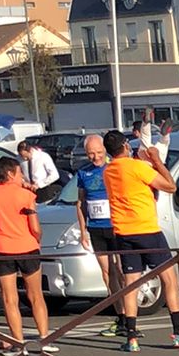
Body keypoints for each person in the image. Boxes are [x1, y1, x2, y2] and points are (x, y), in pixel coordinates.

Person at [102, 128, 179, 351]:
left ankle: (132, 337)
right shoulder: (137, 167)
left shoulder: (108, 171)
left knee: (131, 284)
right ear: (125, 146)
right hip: (147, 229)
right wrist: (156, 160)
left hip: (123, 232)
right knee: (170, 280)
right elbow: (170, 186)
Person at [0, 153, 57, 352]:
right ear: (9, 174)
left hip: (0, 248)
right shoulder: (26, 195)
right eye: (19, 172)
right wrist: (38, 239)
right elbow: (35, 228)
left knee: (9, 299)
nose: (22, 176)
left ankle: (17, 342)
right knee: (36, 295)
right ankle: (44, 338)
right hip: (27, 246)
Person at [71, 134, 121, 332]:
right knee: (107, 271)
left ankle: (130, 314)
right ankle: (120, 314)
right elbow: (80, 203)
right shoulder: (83, 173)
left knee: (122, 270)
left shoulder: (113, 168)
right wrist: (83, 231)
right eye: (91, 153)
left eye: (99, 152)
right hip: (96, 227)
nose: (96, 157)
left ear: (105, 150)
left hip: (116, 226)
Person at [16, 135, 60, 200]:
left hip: (42, 189)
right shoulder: (18, 158)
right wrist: (23, 182)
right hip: (27, 189)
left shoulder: (43, 156)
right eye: (22, 156)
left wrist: (39, 184)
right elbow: (18, 173)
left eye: (26, 156)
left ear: (31, 150)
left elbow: (55, 175)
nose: (24, 159)